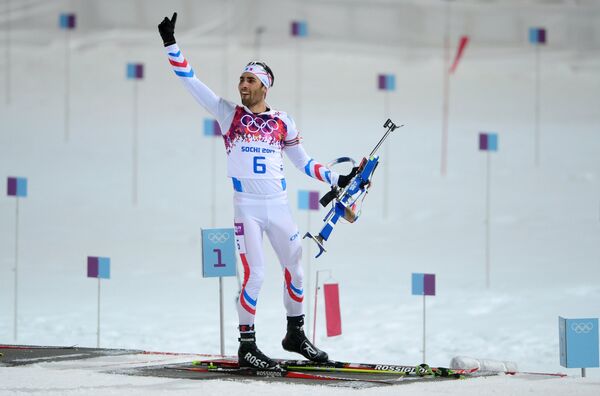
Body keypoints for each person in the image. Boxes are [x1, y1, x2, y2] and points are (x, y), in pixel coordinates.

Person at [158, 12, 356, 369]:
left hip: (278, 206)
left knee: (296, 268)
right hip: (247, 208)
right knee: (257, 274)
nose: (242, 85)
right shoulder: (227, 114)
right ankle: (246, 344)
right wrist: (171, 45)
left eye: (250, 80)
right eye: (241, 79)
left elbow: (303, 161)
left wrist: (335, 179)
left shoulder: (282, 121)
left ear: (265, 87)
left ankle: (294, 334)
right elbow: (190, 81)